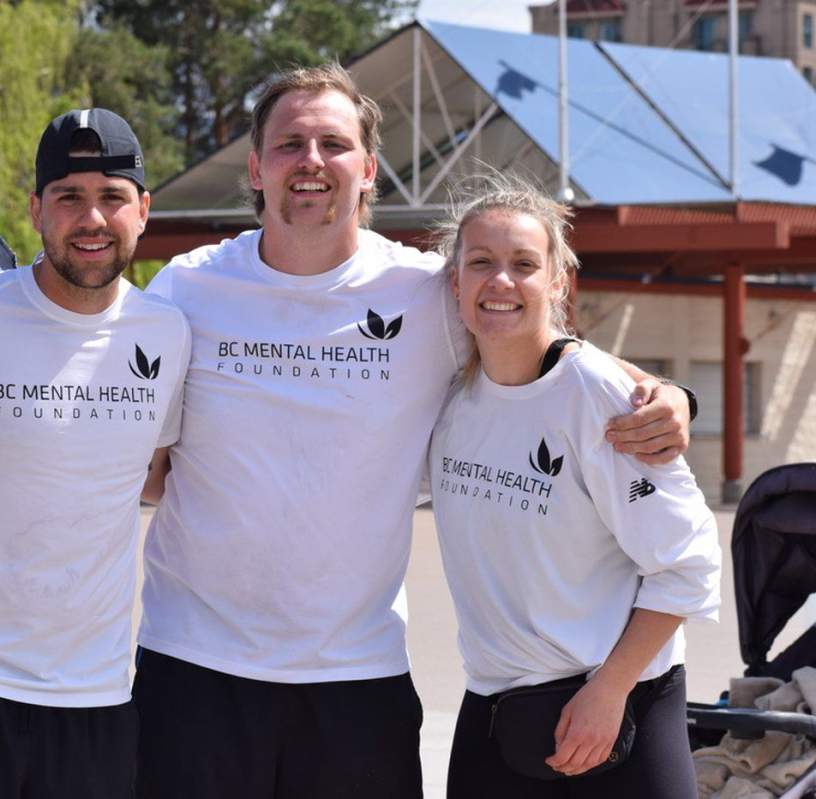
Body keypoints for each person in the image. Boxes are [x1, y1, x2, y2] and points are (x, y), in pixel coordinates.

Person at [134, 63, 697, 798]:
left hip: (356, 676)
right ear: (255, 167)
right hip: (193, 666)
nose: (311, 161)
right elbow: (141, 449)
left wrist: (671, 394)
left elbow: (538, 341)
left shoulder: (426, 291)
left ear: (369, 169)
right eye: (289, 144)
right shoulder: (187, 287)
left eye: (334, 144)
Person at [0, 108, 189, 798]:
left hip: (95, 696)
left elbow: (153, 474)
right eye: (69, 197)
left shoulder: (167, 333)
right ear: (35, 209)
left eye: (112, 196)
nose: (92, 218)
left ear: (143, 210)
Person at [427, 177, 721, 796]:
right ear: (454, 283)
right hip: (494, 706)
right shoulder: (451, 398)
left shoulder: (597, 395)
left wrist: (609, 691)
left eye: (523, 264)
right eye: (480, 263)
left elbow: (688, 563)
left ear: (558, 282)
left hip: (616, 708)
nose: (500, 281)